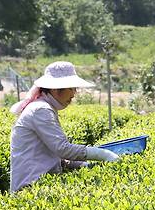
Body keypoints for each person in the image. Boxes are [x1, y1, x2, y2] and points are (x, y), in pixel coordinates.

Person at [10, 61, 120, 192]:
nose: (74, 94)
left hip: (39, 186)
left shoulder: (44, 107)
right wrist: (103, 154)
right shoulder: (41, 110)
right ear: (56, 89)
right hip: (29, 188)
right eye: (72, 89)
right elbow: (62, 149)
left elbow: (56, 157)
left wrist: (87, 165)